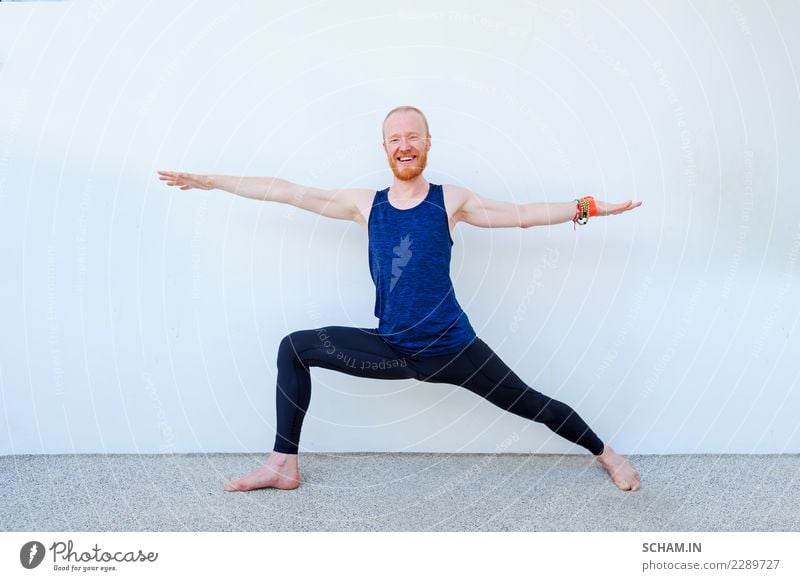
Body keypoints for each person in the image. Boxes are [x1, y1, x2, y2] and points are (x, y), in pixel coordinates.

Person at [158, 105, 642, 492]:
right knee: (294, 347)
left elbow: (521, 215)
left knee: (533, 403)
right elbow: (288, 192)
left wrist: (588, 207)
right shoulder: (364, 205)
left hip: (454, 349)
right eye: (395, 138)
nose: (405, 145)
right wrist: (210, 181)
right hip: (391, 351)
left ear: (428, 144)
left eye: (413, 137)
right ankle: (282, 465)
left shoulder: (450, 200)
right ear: (385, 149)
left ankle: (608, 455)